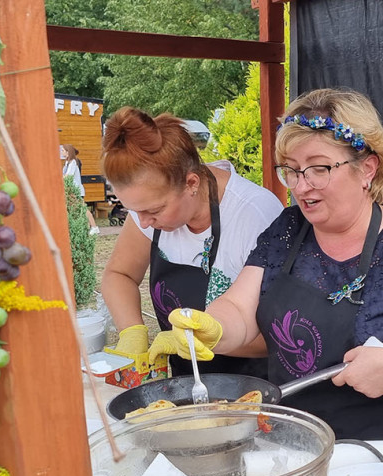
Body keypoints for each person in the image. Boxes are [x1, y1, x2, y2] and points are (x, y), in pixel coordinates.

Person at [148, 88, 383, 471]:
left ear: (367, 168)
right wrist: (211, 325)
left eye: (319, 168)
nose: (300, 185)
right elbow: (239, 309)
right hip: (294, 451)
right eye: (292, 170)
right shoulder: (288, 229)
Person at [100, 107, 284, 378]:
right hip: (185, 381)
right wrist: (132, 331)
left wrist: (193, 340)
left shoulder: (254, 214)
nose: (143, 222)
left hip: (251, 384)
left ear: (191, 183)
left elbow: (278, 338)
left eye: (154, 211)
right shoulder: (147, 211)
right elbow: (119, 274)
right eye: (133, 211)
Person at [61, 143, 99, 235]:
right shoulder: (67, 163)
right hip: (71, 191)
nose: (61, 152)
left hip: (76, 191)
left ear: (68, 152)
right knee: (75, 210)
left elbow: (68, 176)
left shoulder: (73, 162)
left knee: (83, 209)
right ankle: (83, 228)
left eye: (63, 150)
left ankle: (94, 227)